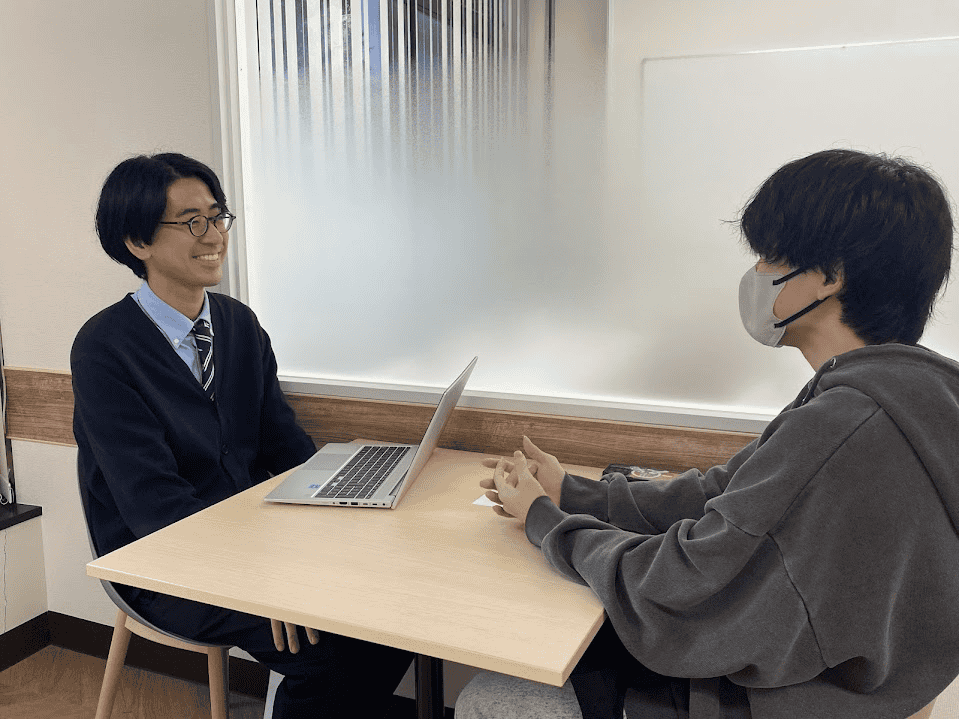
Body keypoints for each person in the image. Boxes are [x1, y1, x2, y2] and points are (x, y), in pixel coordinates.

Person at [456, 149, 959, 719]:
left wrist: (544, 521)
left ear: (829, 277)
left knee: (496, 696)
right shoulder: (901, 397)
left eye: (771, 256)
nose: (757, 274)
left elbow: (680, 588)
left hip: (781, 699)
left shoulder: (843, 426)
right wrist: (574, 492)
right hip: (863, 686)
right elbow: (724, 495)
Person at [72, 152, 413, 718]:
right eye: (191, 222)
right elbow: (155, 508)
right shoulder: (104, 348)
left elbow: (285, 447)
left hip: (255, 542)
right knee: (328, 652)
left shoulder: (238, 324)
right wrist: (264, 580)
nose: (214, 236)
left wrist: (337, 526)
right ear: (137, 242)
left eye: (217, 216)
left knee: (394, 615)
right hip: (161, 562)